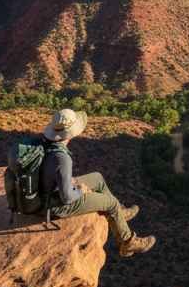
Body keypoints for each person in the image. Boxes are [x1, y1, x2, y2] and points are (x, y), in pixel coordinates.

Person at [42, 108, 156, 257]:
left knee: (97, 178)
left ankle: (119, 214)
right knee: (111, 204)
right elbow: (67, 198)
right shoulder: (62, 158)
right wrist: (80, 190)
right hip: (55, 204)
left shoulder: (47, 144)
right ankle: (128, 242)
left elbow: (50, 172)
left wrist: (69, 182)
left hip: (48, 192)